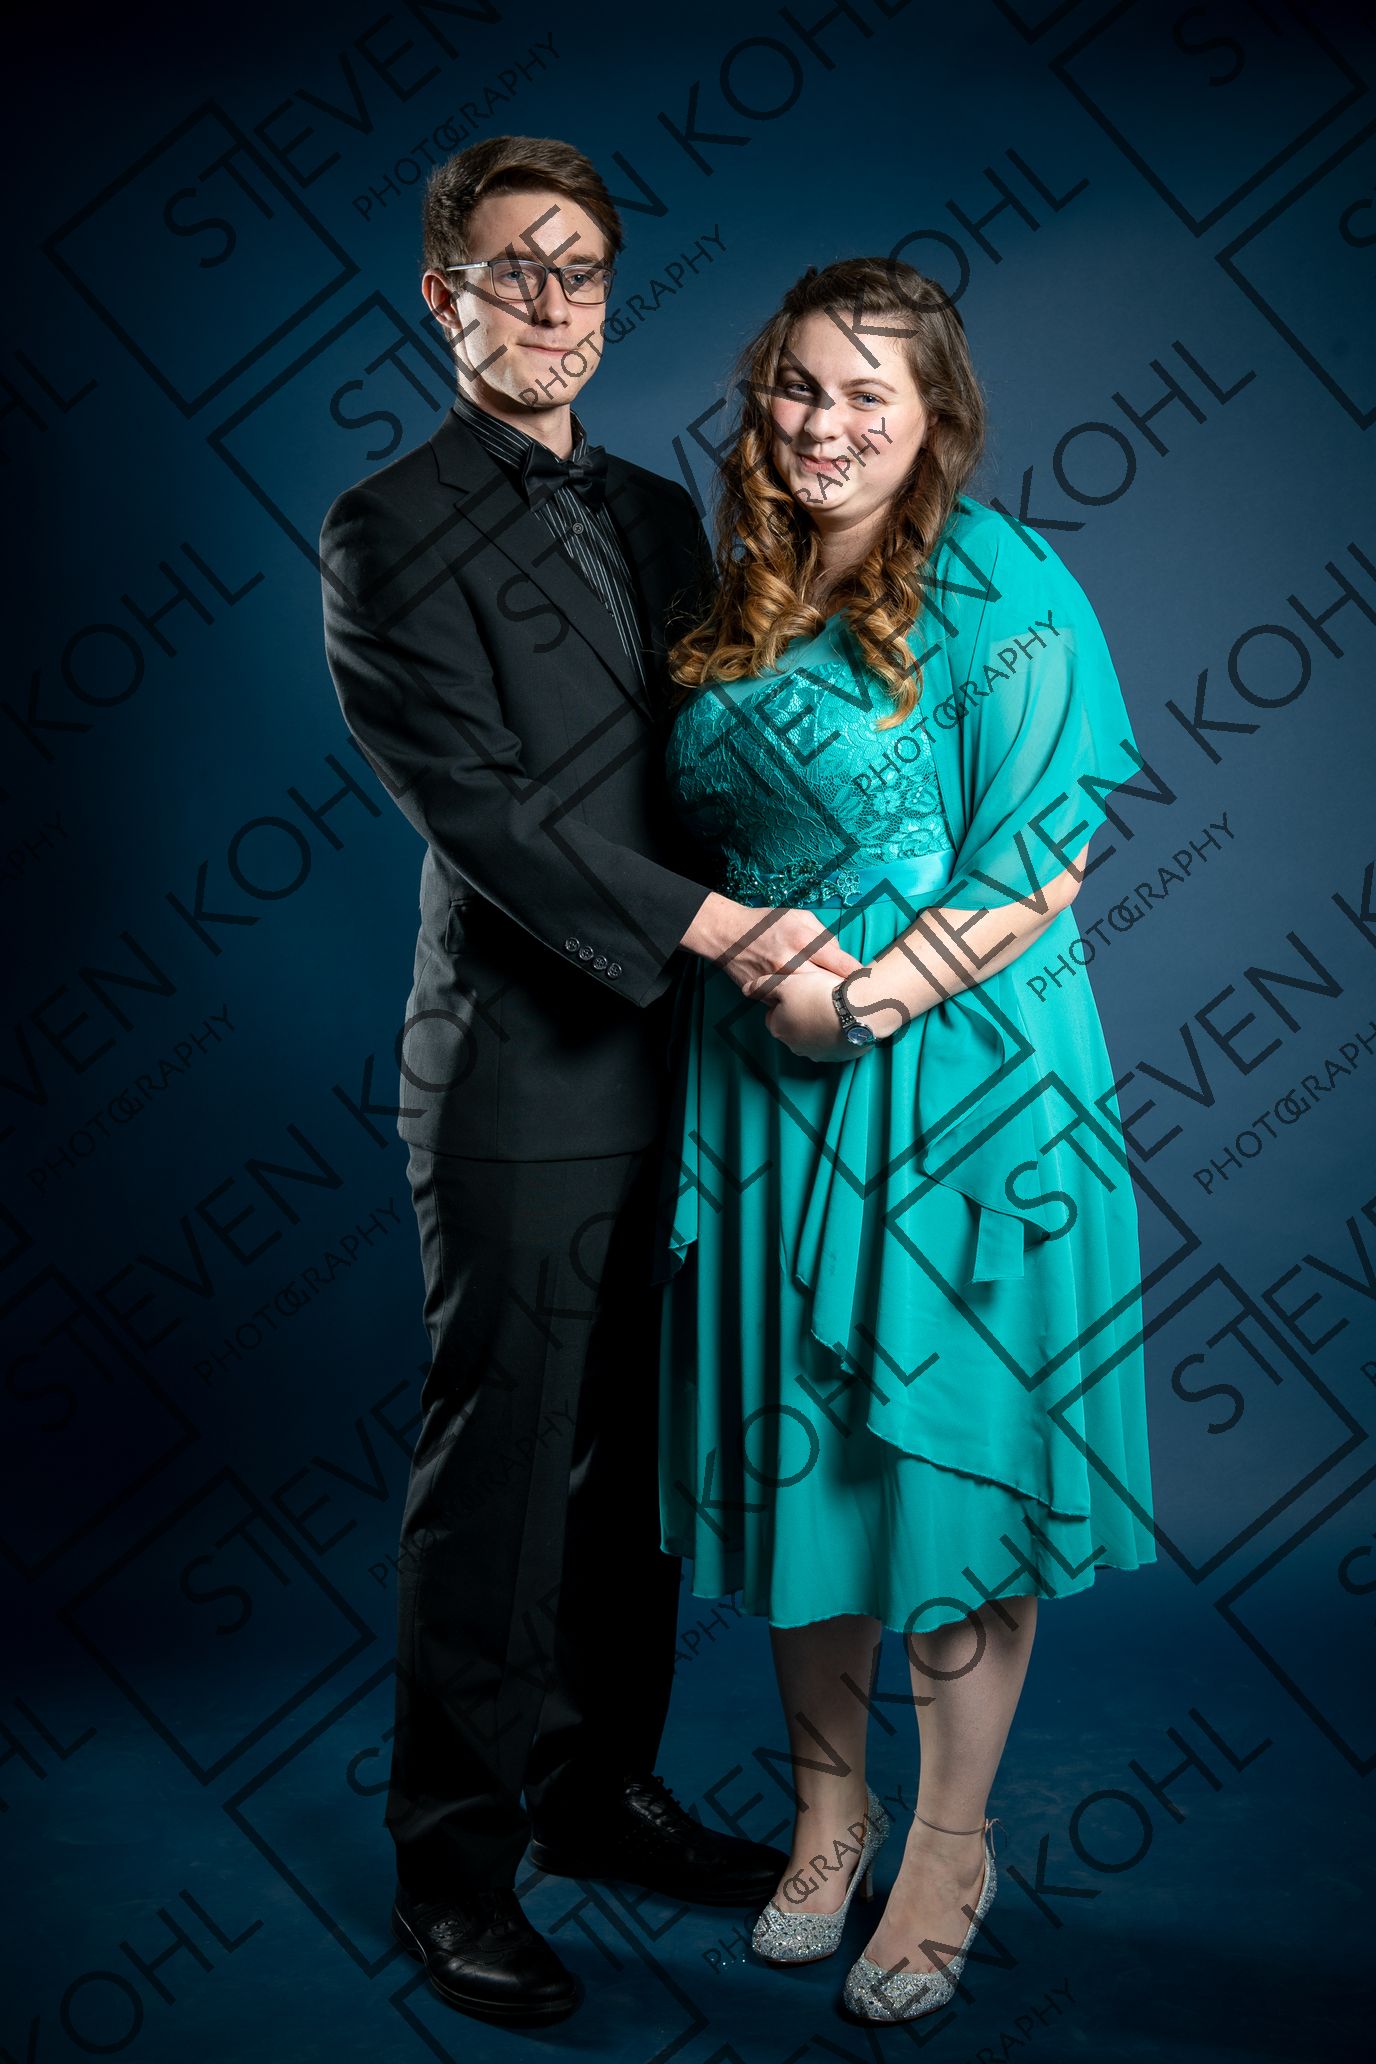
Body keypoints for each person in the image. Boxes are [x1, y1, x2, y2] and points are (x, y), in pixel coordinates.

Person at [317, 138, 863, 2027]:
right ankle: (453, 1870)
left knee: (637, 1463)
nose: (552, 304)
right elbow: (488, 815)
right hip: (521, 1078)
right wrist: (729, 932)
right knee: (501, 1480)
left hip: (694, 1074)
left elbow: (733, 749)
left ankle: (595, 1792)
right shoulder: (383, 527)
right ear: (442, 297)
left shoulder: (651, 509)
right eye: (512, 269)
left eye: (582, 272)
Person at [653, 256, 1157, 2023]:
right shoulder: (739, 590)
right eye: (799, 385)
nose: (826, 422)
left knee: (945, 1467)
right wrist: (767, 978)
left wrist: (863, 1004)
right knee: (806, 1472)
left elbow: (1048, 851)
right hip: (762, 1092)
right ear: (761, 398)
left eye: (869, 392)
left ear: (932, 414)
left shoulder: (1006, 579)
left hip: (962, 1081)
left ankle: (948, 1847)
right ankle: (827, 1819)